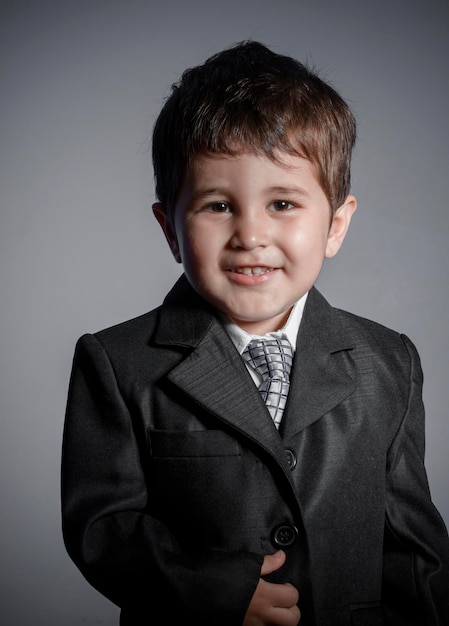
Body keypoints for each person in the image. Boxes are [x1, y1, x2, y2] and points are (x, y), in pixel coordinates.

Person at [61, 41, 449, 626]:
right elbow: (103, 527)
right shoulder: (116, 362)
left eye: (284, 203)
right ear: (170, 228)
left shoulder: (387, 361)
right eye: (218, 206)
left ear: (335, 226)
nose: (250, 234)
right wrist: (214, 590)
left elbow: (413, 543)